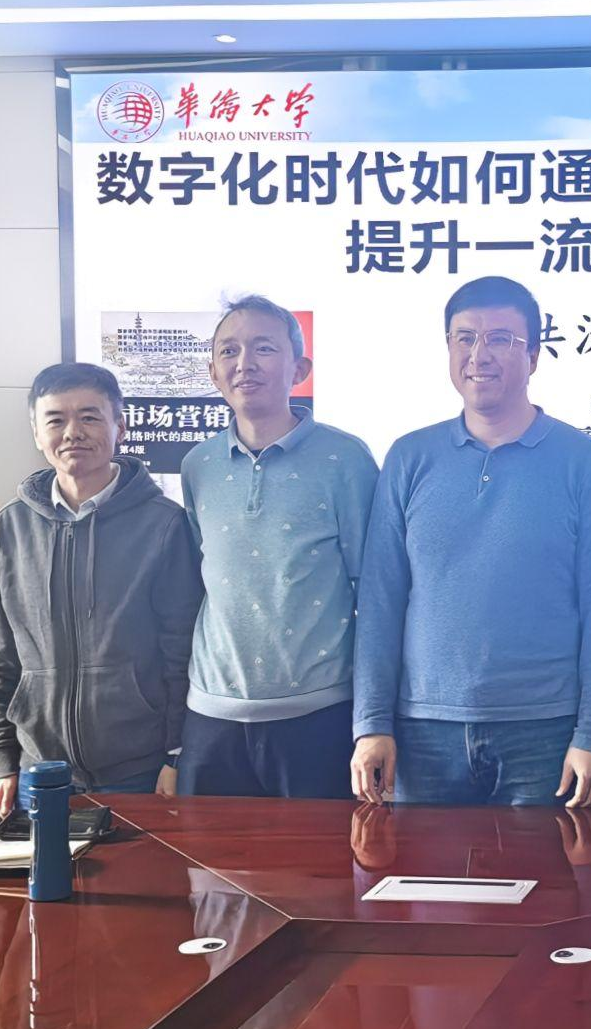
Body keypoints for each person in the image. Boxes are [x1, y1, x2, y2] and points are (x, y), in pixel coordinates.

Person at [350, 276, 591, 807]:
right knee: (417, 867)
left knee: (549, 865)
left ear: (534, 356)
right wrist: (372, 723)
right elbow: (381, 601)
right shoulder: (409, 457)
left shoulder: (585, 461)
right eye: (465, 338)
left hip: (544, 730)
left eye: (501, 339)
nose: (480, 355)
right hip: (422, 732)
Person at [178, 295, 378, 798]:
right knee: (205, 852)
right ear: (213, 372)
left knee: (321, 852)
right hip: (211, 716)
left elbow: (374, 594)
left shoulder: (345, 459)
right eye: (229, 351)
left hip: (319, 714)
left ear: (300, 369)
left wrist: (374, 719)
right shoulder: (197, 465)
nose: (244, 363)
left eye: (263, 348)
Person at [0, 362, 202, 815]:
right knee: (46, 866)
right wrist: (4, 759)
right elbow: (0, 653)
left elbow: (181, 650)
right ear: (36, 433)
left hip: (140, 771)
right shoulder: (10, 527)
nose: (72, 433)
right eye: (55, 420)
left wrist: (175, 754)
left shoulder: (163, 525)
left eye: (89, 416)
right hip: (39, 770)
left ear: (120, 426)